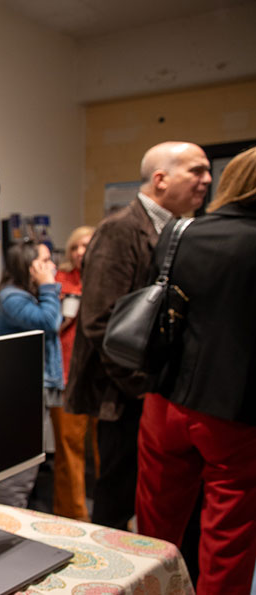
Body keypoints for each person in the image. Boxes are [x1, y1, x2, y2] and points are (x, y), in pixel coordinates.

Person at [64, 141, 211, 530]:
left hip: (153, 395)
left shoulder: (177, 230)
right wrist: (141, 387)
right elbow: (100, 322)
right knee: (115, 505)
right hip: (125, 398)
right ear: (161, 179)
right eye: (196, 171)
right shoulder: (121, 230)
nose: (207, 180)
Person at [135, 146, 256, 594]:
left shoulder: (180, 233)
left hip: (165, 400)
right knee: (228, 539)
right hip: (234, 409)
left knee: (153, 531)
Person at [0, 239, 61, 508]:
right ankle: (7, 529)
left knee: (26, 469)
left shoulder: (26, 295)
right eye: (45, 261)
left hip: (29, 389)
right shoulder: (11, 298)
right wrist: (48, 286)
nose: (52, 266)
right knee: (17, 474)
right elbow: (49, 322)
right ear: (29, 266)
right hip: (18, 393)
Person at [51, 226, 97, 521]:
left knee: (108, 451)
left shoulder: (111, 276)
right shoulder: (59, 281)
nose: (81, 252)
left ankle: (113, 517)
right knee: (69, 454)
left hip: (103, 377)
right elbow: (50, 325)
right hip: (67, 375)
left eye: (87, 246)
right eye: (75, 247)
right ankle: (74, 517)